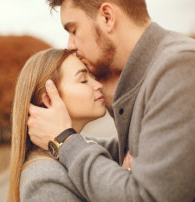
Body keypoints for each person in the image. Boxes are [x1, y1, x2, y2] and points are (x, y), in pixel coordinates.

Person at [27, 0, 195, 201]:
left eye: (73, 30)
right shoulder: (155, 71)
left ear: (107, 17)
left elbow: (146, 197)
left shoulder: (179, 67)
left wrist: (63, 140)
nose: (70, 45)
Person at [8, 48, 113, 202]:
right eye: (83, 80)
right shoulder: (44, 178)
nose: (98, 85)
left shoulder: (81, 146)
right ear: (49, 99)